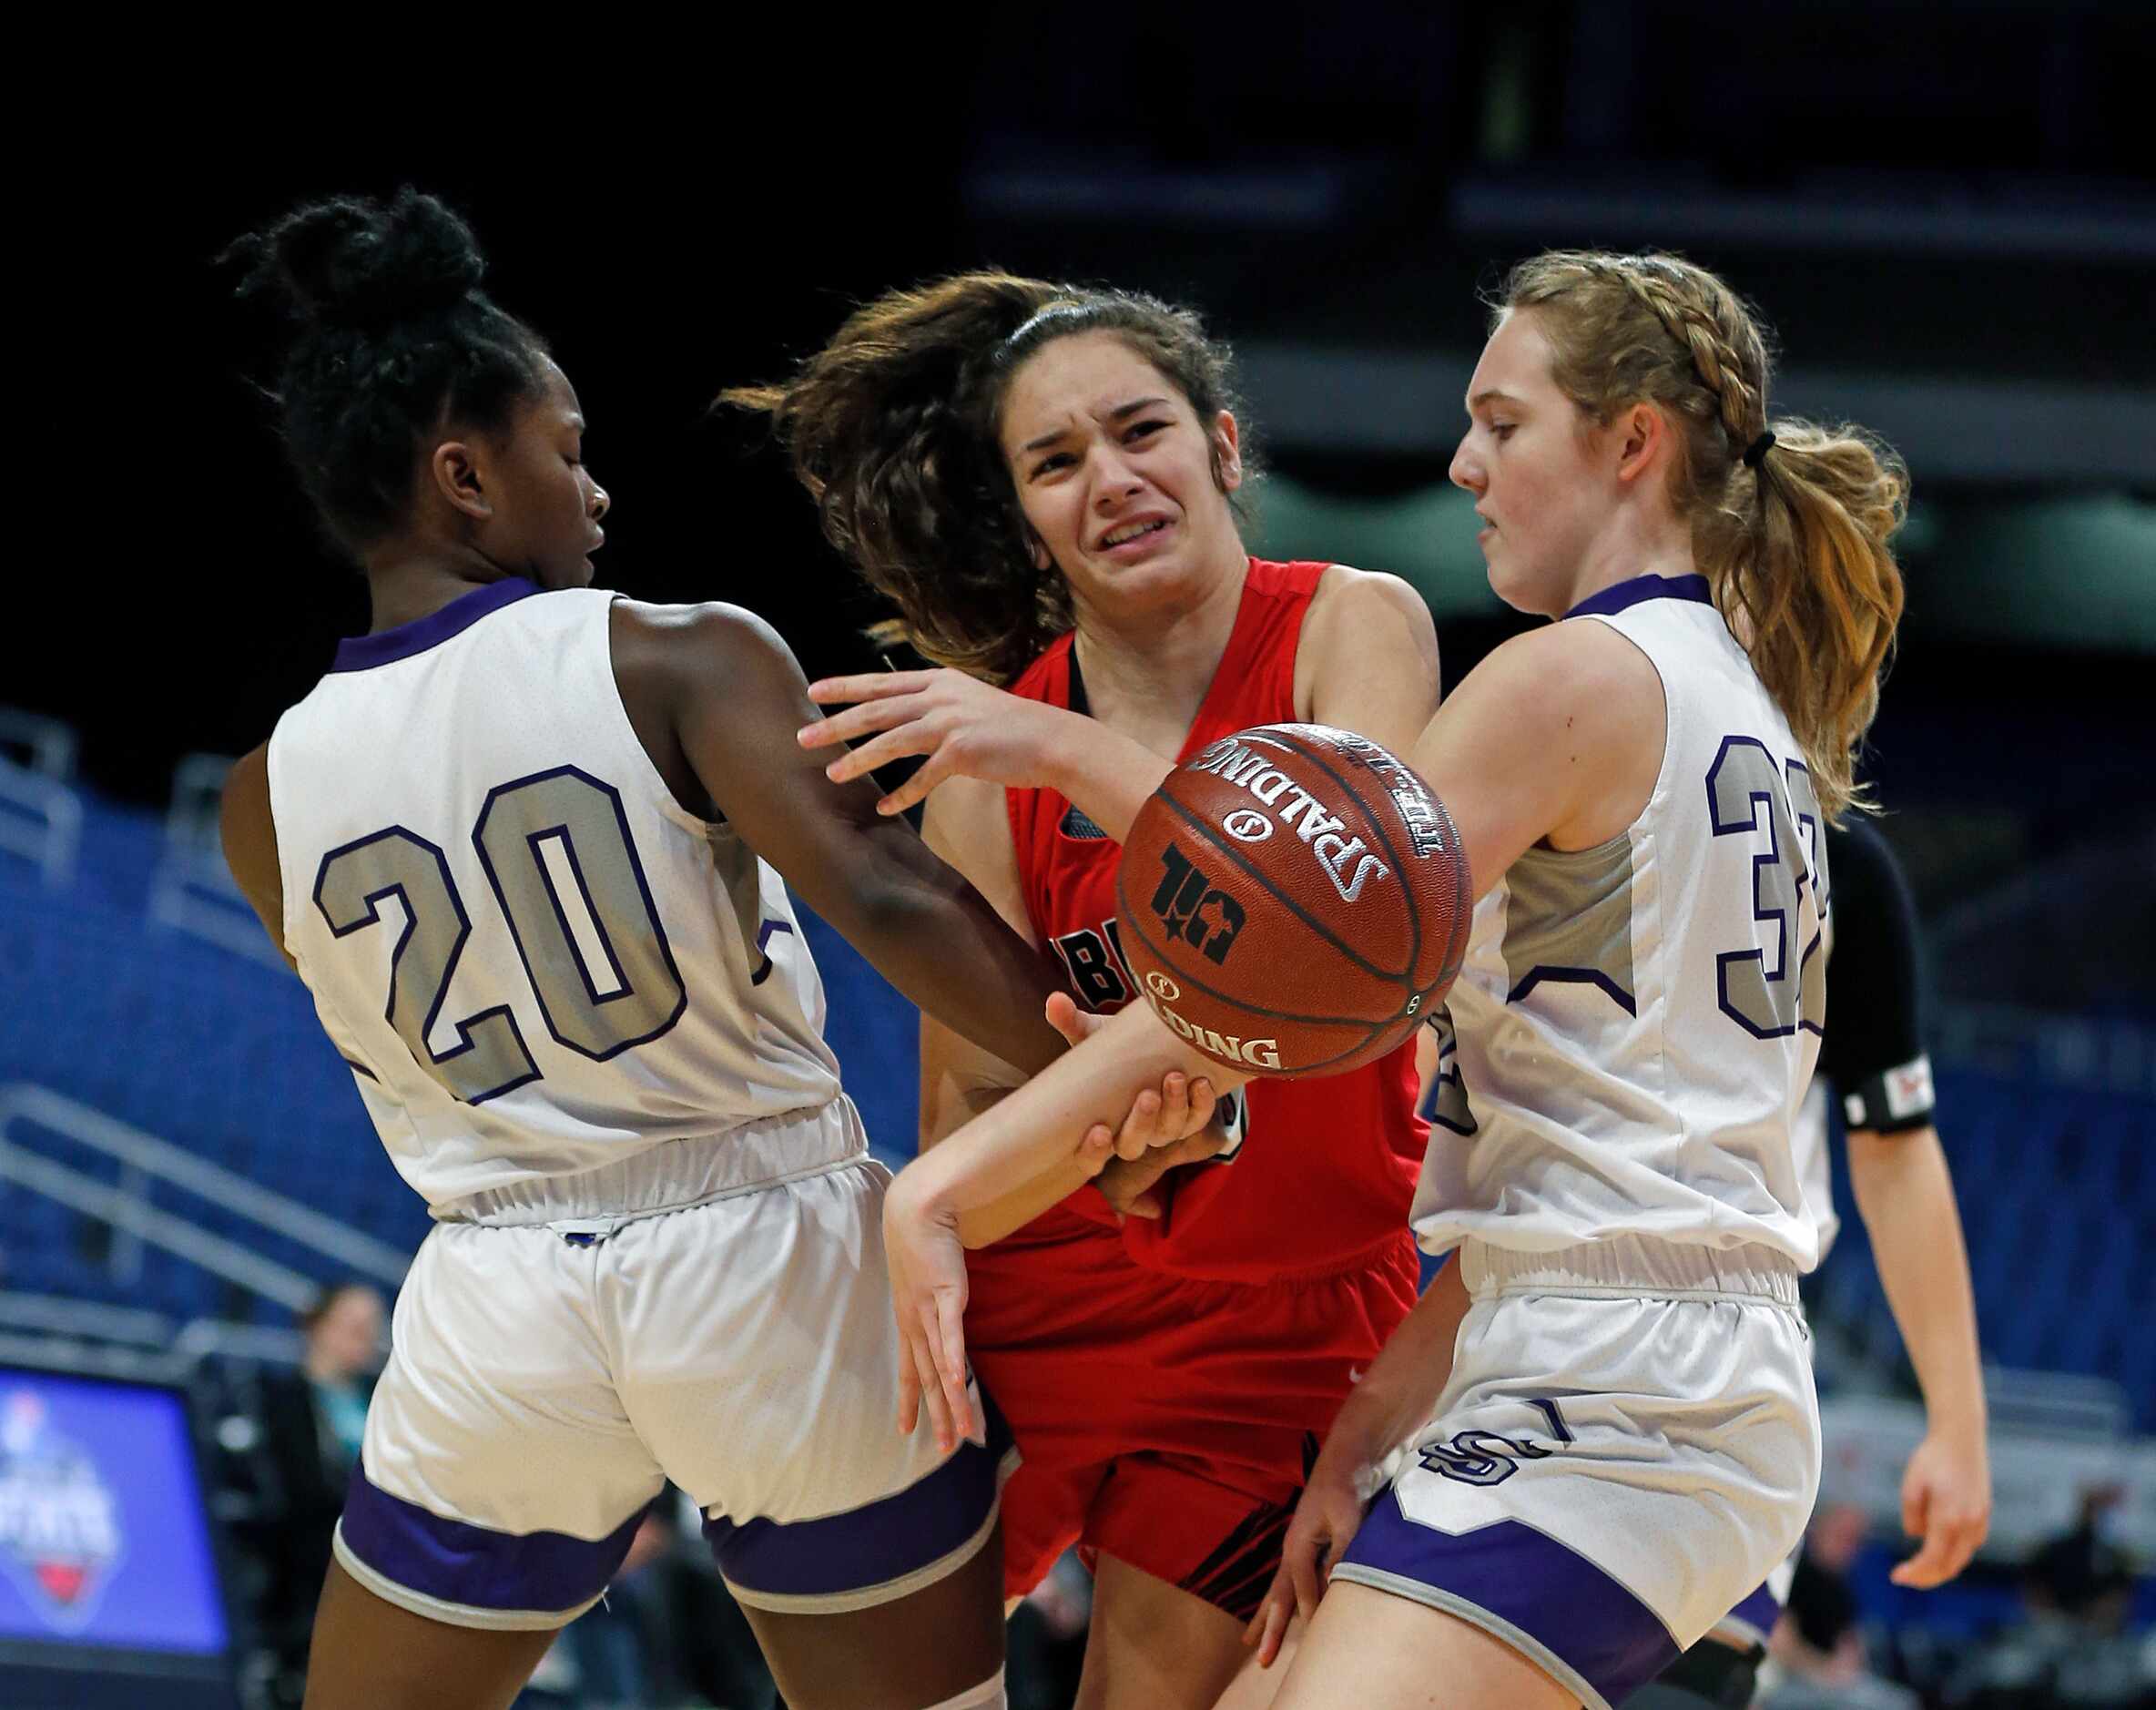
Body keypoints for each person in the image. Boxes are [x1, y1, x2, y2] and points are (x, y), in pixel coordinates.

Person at [870, 249, 1909, 1710]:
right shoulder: (1740, 703)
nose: (1462, 463)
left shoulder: (1565, 682)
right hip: (1602, 1350)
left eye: (1502, 422)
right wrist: (1367, 1432)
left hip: (1612, 1384)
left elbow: (1280, 948)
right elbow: (1553, 1155)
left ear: (1631, 442)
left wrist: (940, 1190)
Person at [215, 188, 1200, 1710]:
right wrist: (1102, 1085)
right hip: (765, 1250)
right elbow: (888, 899)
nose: (593, 489)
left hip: (498, 1285)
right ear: (463, 475)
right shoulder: (670, 649)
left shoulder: (260, 796)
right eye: (567, 446)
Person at [730, 270, 1441, 1707]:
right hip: (1044, 1295)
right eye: (1057, 461)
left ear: (1223, 447)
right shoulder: (993, 757)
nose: (1110, 478)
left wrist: (1057, 755)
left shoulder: (1353, 626)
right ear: (1027, 513)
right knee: (850, 1655)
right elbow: (966, 1132)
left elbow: (1355, 913)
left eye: (1141, 431)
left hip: (1283, 1315)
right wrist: (1117, 1164)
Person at [1612, 811, 1991, 1707]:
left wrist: (1960, 1422)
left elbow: (1894, 1145)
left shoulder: (1836, 857)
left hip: (1726, 1332)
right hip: (1517, 1299)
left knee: (1675, 1685)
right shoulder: (1557, 769)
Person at [250, 1282, 386, 1703]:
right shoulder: (279, 1397)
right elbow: (294, 1486)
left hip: (379, 1553)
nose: (363, 1338)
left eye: (371, 1328)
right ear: (320, 1326)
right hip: (311, 1560)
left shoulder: (383, 1398)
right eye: (353, 1325)